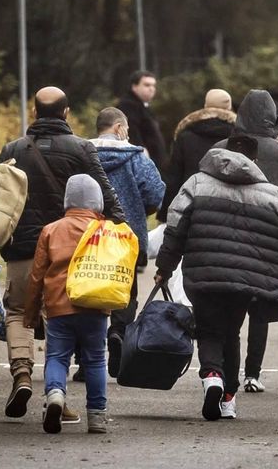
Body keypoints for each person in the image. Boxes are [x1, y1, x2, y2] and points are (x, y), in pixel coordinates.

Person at [156, 138, 278, 421]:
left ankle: (212, 376)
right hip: (245, 280)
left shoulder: (196, 184)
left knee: (208, 330)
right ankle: (228, 397)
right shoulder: (273, 195)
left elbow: (175, 227)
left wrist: (165, 265)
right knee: (230, 333)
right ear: (255, 162)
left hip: (203, 274)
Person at [0, 86, 125, 421]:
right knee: (65, 322)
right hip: (76, 255)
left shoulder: (12, 149)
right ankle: (60, 396)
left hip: (23, 248)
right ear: (67, 113)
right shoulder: (82, 148)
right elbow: (108, 200)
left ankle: (22, 373)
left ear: (34, 112)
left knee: (17, 312)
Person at [215, 89, 278, 393]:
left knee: (229, 312)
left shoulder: (220, 149)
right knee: (259, 310)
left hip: (226, 238)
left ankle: (228, 377)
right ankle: (253, 373)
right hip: (271, 241)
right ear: (271, 117)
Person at [25, 175, 115, 435]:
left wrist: (31, 313)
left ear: (67, 200)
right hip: (95, 305)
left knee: (57, 356)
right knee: (96, 360)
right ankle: (97, 417)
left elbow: (37, 276)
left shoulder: (51, 230)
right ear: (97, 201)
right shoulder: (105, 230)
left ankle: (54, 394)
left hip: (58, 307)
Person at [90, 107, 166, 375]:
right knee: (126, 290)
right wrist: (137, 211)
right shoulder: (137, 158)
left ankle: (88, 354)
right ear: (119, 128)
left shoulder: (81, 155)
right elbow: (156, 195)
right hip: (127, 236)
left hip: (88, 236)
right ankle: (119, 332)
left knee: (87, 288)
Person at [158, 88, 237, 221]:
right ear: (230, 108)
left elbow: (174, 178)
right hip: (228, 207)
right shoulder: (239, 137)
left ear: (205, 106)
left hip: (192, 206)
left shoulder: (186, 136)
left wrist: (165, 215)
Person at [117, 70, 167, 169]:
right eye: (147, 85)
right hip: (141, 163)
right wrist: (140, 149)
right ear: (134, 86)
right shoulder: (128, 105)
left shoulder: (142, 106)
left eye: (153, 85)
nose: (151, 89)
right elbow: (131, 131)